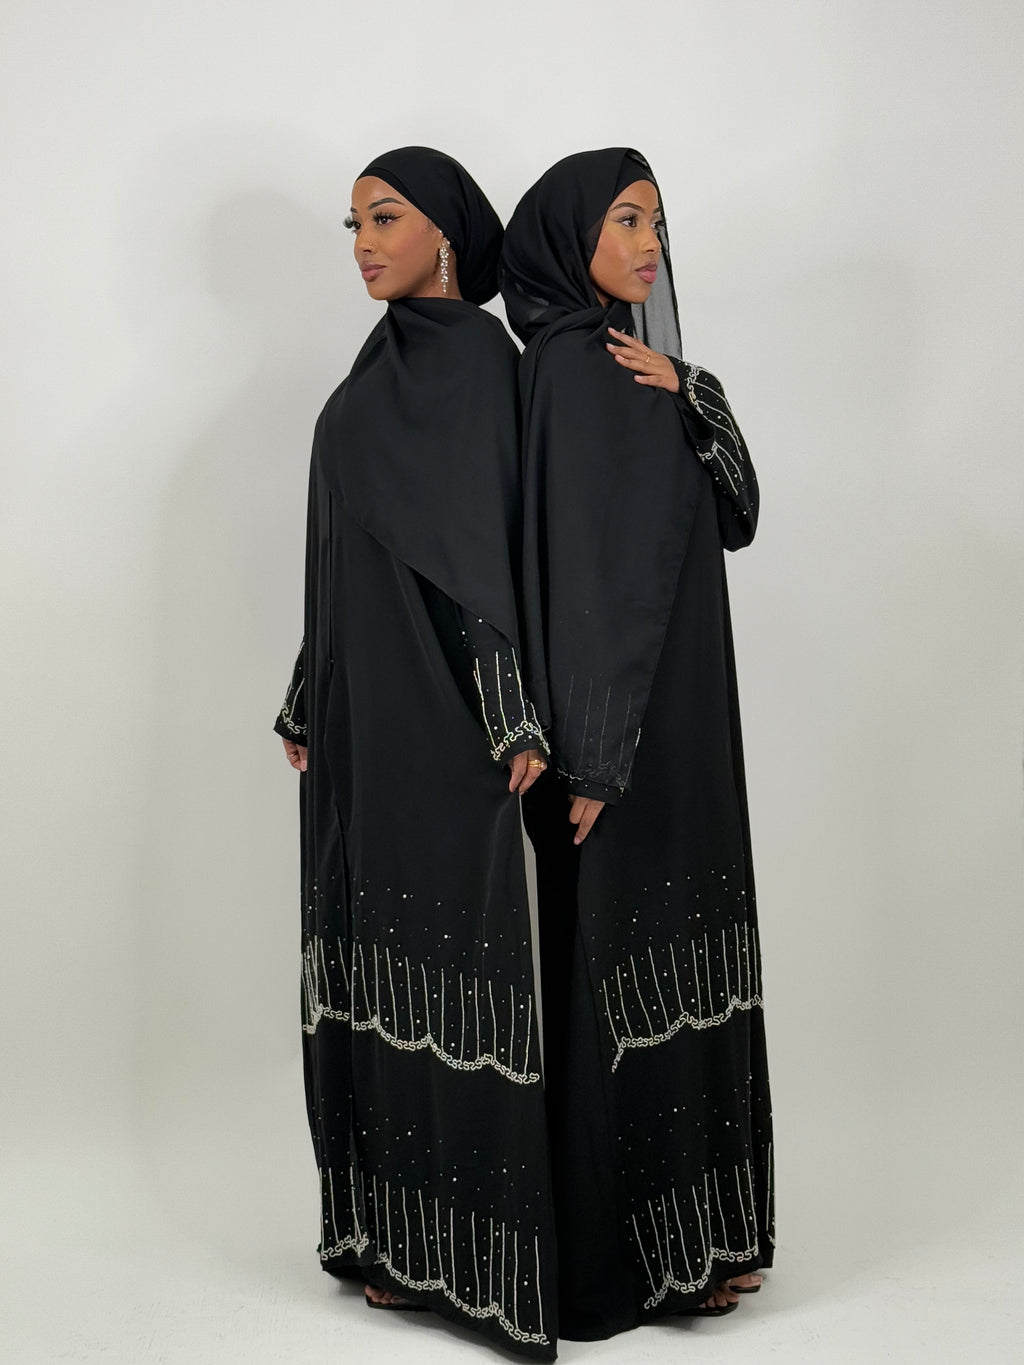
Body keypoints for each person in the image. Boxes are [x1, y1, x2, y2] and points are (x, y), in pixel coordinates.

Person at [274, 147, 558, 1360]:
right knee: (370, 958)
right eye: (351, 225)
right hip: (359, 713)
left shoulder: (483, 368)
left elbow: (478, 552)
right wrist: (305, 697)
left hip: (446, 720)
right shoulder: (373, 368)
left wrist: (508, 710)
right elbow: (349, 546)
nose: (362, 246)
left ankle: (472, 1257)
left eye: (383, 220)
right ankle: (388, 1239)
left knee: (454, 967)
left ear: (444, 232)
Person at [499, 147, 775, 1339]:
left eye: (657, 221)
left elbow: (737, 515)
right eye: (625, 220)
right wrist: (601, 754)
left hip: (654, 720)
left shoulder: (620, 365)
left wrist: (692, 386)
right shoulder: (582, 374)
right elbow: (594, 577)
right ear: (569, 237)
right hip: (626, 739)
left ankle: (688, 1249)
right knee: (629, 967)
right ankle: (654, 1262)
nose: (651, 244)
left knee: (652, 961)